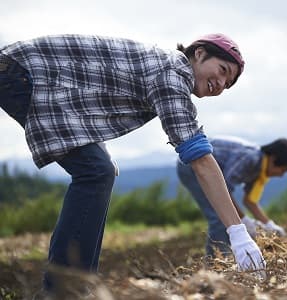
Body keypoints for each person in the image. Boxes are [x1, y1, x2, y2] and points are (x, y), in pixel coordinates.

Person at [0, 33, 266, 295]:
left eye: (227, 83)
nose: (220, 83)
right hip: (26, 71)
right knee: (96, 172)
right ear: (199, 53)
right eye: (222, 70)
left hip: (39, 78)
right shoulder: (172, 75)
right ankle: (63, 290)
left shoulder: (168, 69)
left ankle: (75, 286)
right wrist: (238, 232)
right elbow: (200, 160)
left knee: (100, 171)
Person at [177, 136, 287, 257]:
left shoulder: (260, 169)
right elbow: (223, 192)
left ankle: (223, 259)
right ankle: (216, 266)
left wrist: (269, 225)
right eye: (282, 170)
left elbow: (249, 201)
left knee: (225, 217)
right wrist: (243, 220)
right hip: (192, 164)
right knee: (220, 217)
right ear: (274, 159)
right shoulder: (250, 158)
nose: (281, 175)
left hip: (201, 167)